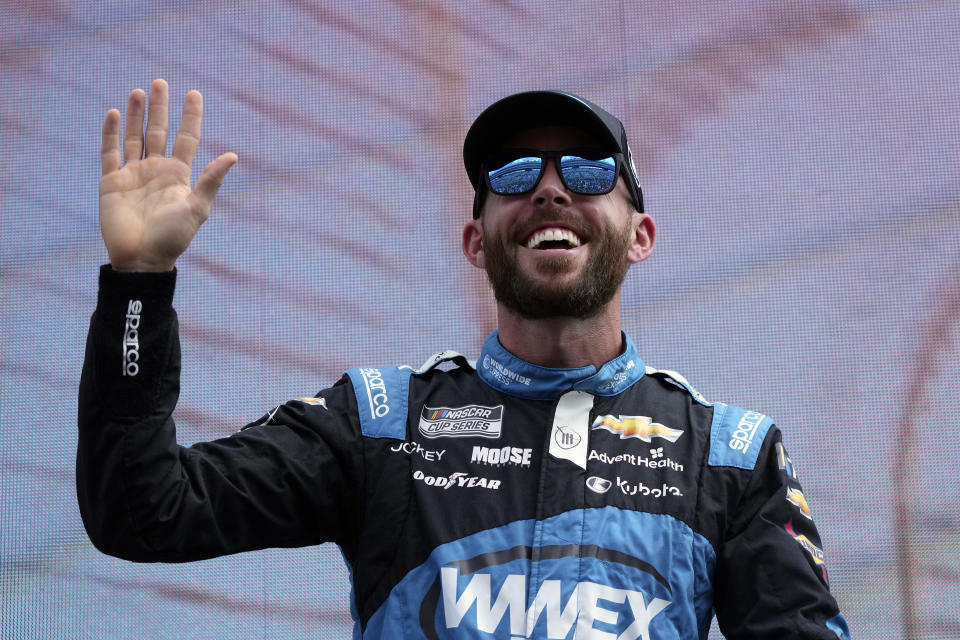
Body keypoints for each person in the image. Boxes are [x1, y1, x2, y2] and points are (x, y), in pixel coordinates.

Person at [77, 79, 851, 640]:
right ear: (476, 242)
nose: (549, 190)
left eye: (587, 170)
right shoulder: (379, 421)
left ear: (640, 235)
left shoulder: (732, 454)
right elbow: (143, 511)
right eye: (512, 176)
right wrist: (138, 288)